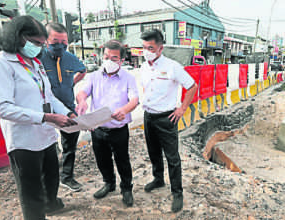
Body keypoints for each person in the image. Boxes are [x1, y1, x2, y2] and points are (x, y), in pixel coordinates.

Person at [0, 16, 77, 220]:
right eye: (35, 42)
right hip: (23, 141)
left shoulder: (35, 62)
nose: (39, 47)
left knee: (51, 181)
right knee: (32, 193)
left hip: (46, 136)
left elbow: (49, 96)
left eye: (42, 44)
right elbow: (3, 108)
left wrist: (68, 113)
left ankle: (51, 206)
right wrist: (47, 117)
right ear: (18, 37)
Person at [140, 29, 198, 213]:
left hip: (166, 118)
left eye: (150, 47)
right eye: (144, 47)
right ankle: (158, 179)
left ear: (160, 48)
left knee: (172, 158)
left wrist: (182, 109)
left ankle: (177, 193)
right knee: (153, 152)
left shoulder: (172, 66)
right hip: (148, 117)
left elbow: (192, 86)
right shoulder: (144, 67)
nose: (146, 51)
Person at [75, 40, 139, 207]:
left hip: (118, 129)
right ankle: (109, 183)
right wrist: (82, 101)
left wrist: (124, 110)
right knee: (102, 159)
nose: (109, 61)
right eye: (106, 57)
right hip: (98, 128)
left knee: (122, 160)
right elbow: (82, 92)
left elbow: (134, 100)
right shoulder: (94, 76)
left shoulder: (128, 78)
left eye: (114, 58)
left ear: (122, 60)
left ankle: (126, 188)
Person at [39, 22, 86, 192]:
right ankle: (47, 180)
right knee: (46, 145)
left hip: (67, 106)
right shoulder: (38, 58)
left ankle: (67, 177)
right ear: (45, 41)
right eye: (55, 41)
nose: (60, 45)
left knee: (70, 144)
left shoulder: (70, 58)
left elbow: (83, 70)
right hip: (45, 110)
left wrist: (72, 83)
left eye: (64, 41)